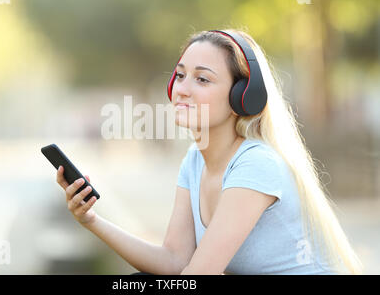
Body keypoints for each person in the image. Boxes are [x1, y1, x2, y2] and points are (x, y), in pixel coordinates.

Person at [56, 28, 362, 275]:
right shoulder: (194, 160)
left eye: (202, 79)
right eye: (180, 75)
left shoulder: (256, 164)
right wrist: (91, 220)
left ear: (243, 96)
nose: (183, 89)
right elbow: (175, 262)